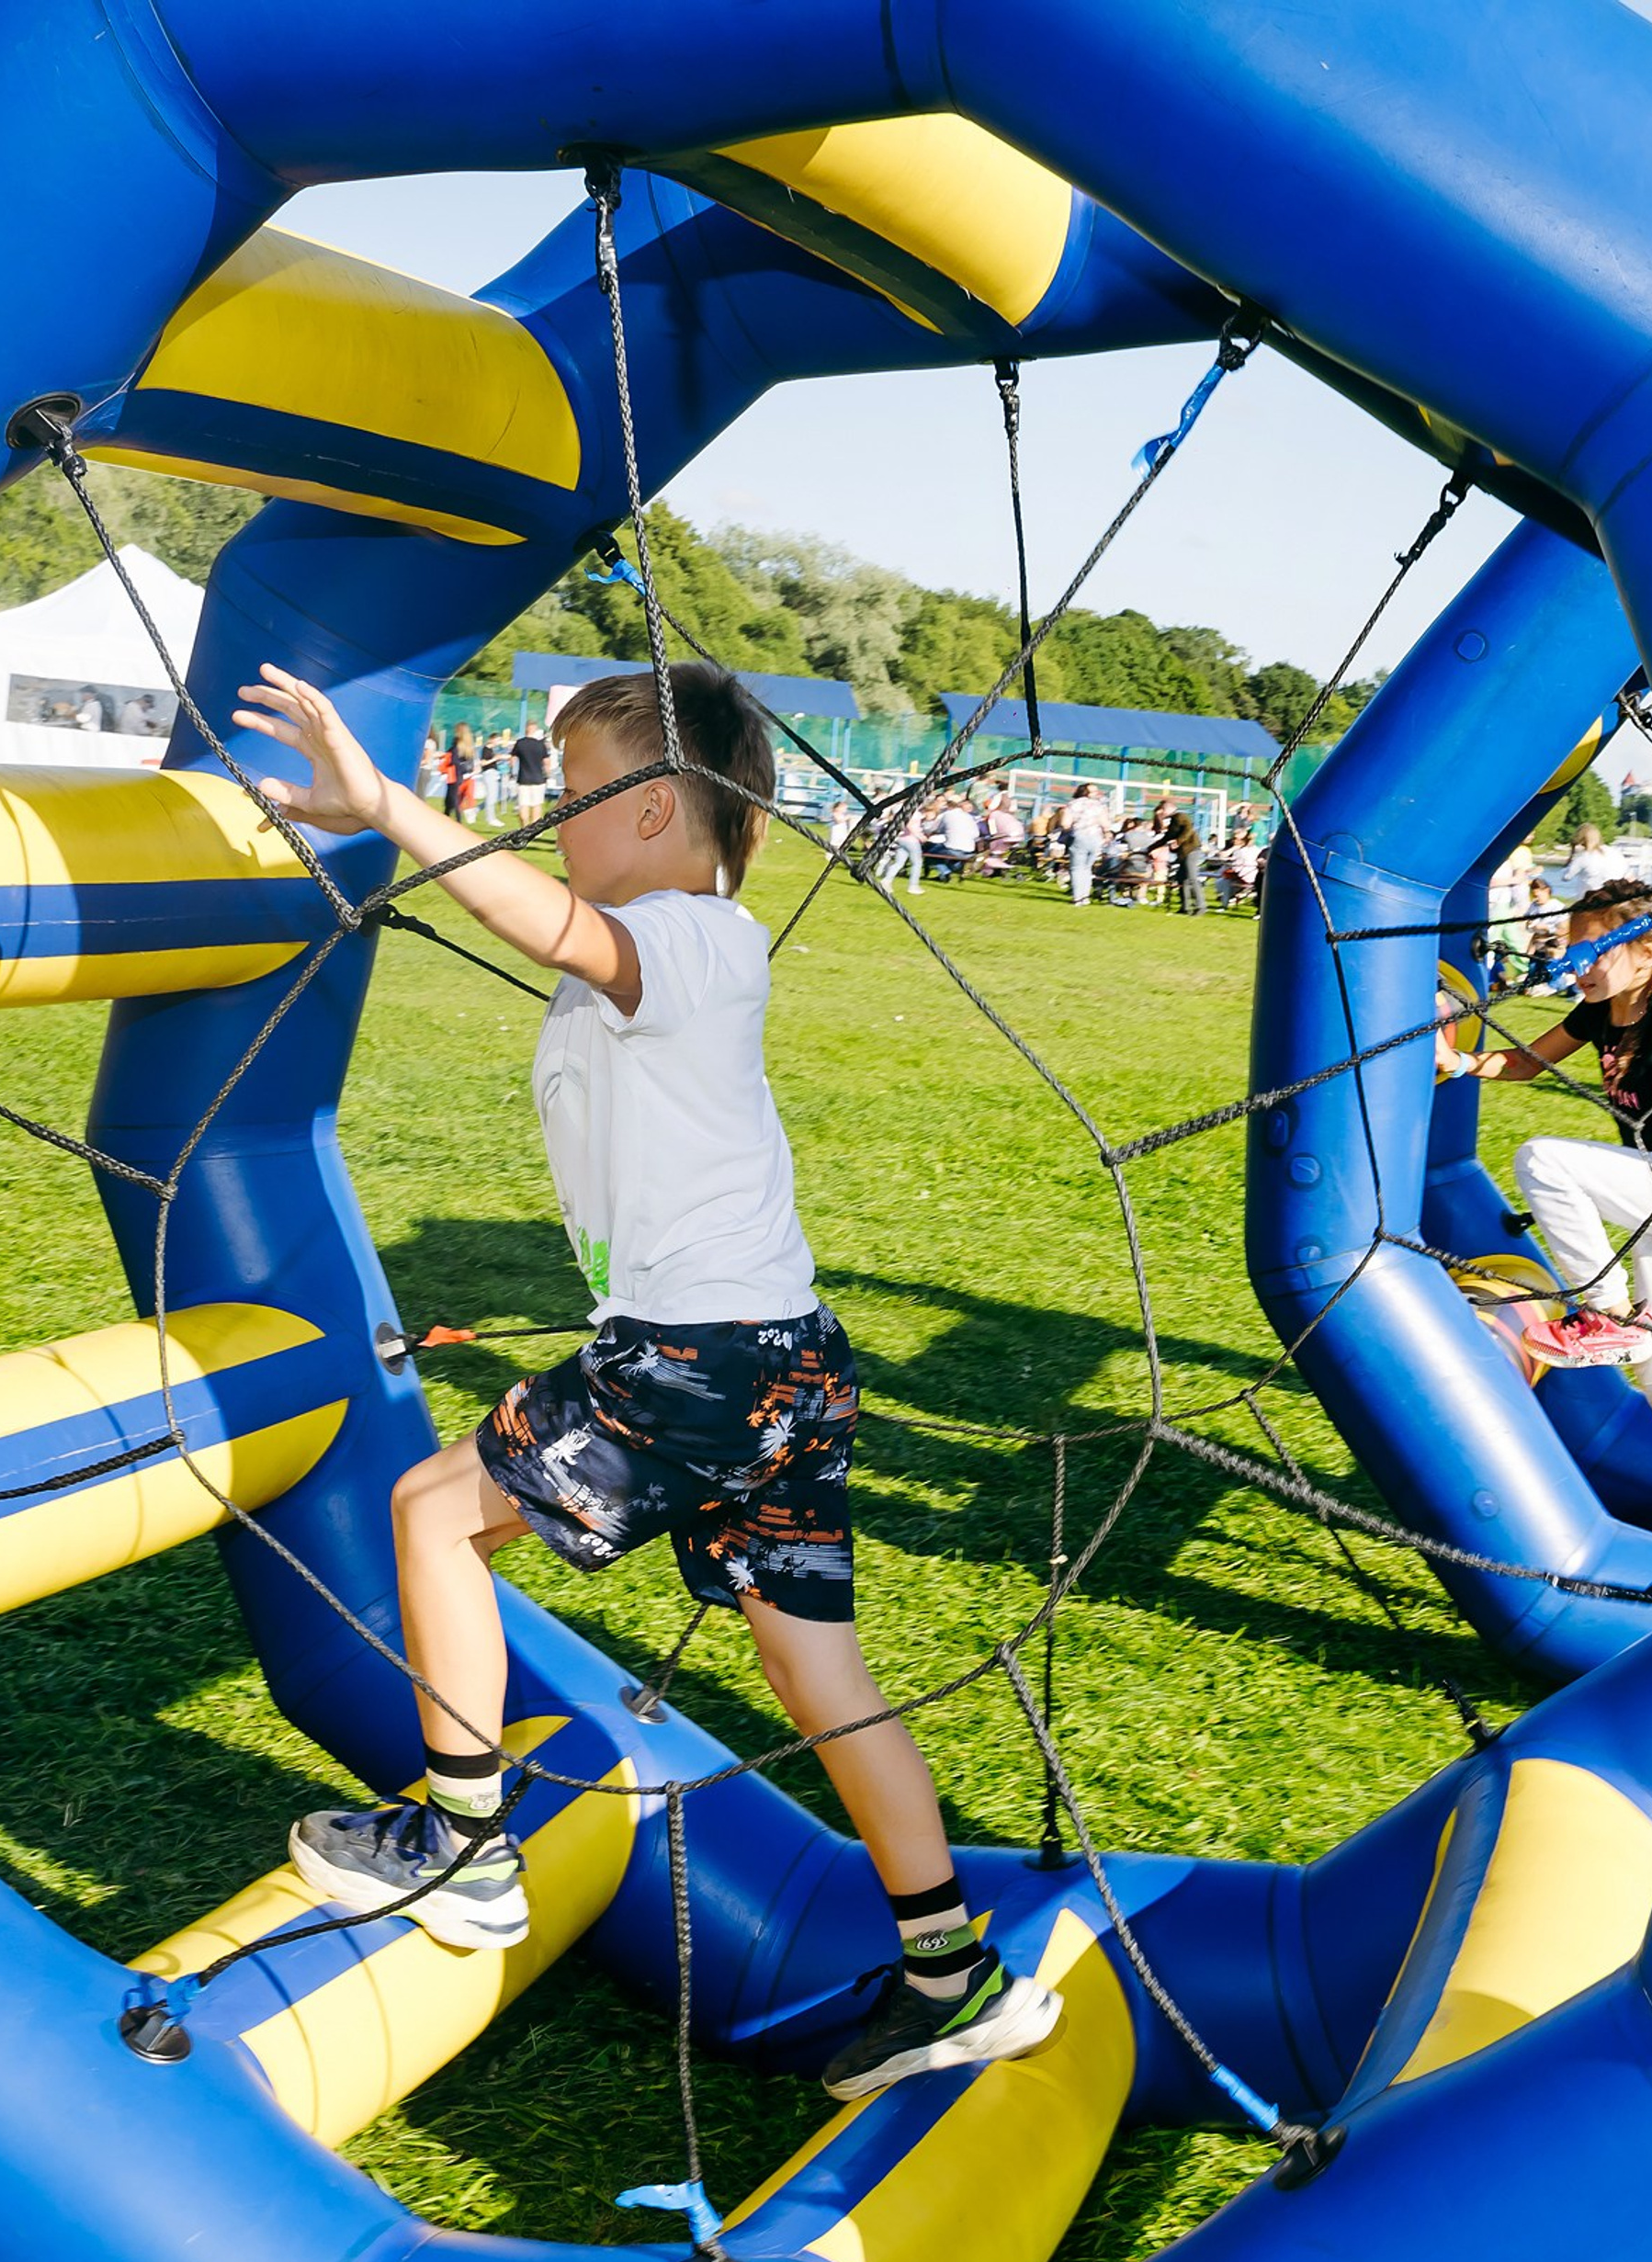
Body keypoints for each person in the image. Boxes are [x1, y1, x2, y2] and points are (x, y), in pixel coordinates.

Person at [231, 659, 1063, 2100]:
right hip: (784, 1363)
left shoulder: (687, 934)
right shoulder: (684, 939)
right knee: (814, 1666)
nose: (554, 828)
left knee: (433, 1512)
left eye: (568, 801)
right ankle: (950, 1973)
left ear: (658, 807)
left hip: (703, 1359)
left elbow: (543, 919)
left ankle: (463, 1845)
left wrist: (387, 811)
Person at [1438, 879, 1652, 1549]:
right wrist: (1462, 1060)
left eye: (1594, 947)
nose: (1576, 961)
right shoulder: (1598, 1012)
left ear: (1645, 956)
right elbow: (1529, 1062)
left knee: (1545, 1160)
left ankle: (1604, 1312)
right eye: (1573, 945)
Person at [1060, 784, 1110, 905]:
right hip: (1096, 838)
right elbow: (1106, 824)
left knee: (1077, 868)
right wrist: (1106, 833)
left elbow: (1065, 824)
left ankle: (1077, 897)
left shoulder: (1073, 804)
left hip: (1079, 836)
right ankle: (1085, 896)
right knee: (1088, 868)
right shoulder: (1100, 806)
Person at [1156, 805, 1206, 916]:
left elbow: (1188, 829)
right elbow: (1166, 838)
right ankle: (1185, 907)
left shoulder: (1180, 816)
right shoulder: (1173, 822)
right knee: (1182, 879)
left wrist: (1178, 841)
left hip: (1192, 850)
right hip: (1183, 853)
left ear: (1169, 808)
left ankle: (1201, 906)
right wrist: (1151, 848)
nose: (1161, 813)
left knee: (1192, 878)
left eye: (1162, 810)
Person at [1560, 821, 1627, 901]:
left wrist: (1572, 855)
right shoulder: (1614, 852)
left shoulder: (1583, 857)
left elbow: (1566, 877)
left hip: (1590, 899)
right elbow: (1625, 871)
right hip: (1615, 896)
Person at [932, 793, 979, 881]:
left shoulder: (946, 815)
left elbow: (936, 829)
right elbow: (976, 834)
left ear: (948, 804)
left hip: (953, 848)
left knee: (931, 853)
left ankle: (945, 872)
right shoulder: (969, 817)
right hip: (969, 849)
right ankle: (952, 870)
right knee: (947, 854)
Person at [513, 719, 550, 831]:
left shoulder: (520, 743)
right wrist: (548, 774)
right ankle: (534, 829)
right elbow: (547, 762)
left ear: (526, 729)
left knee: (523, 804)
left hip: (523, 778)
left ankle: (524, 827)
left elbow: (512, 760)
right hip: (538, 778)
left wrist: (512, 772)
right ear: (535, 729)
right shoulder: (540, 745)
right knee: (537, 805)